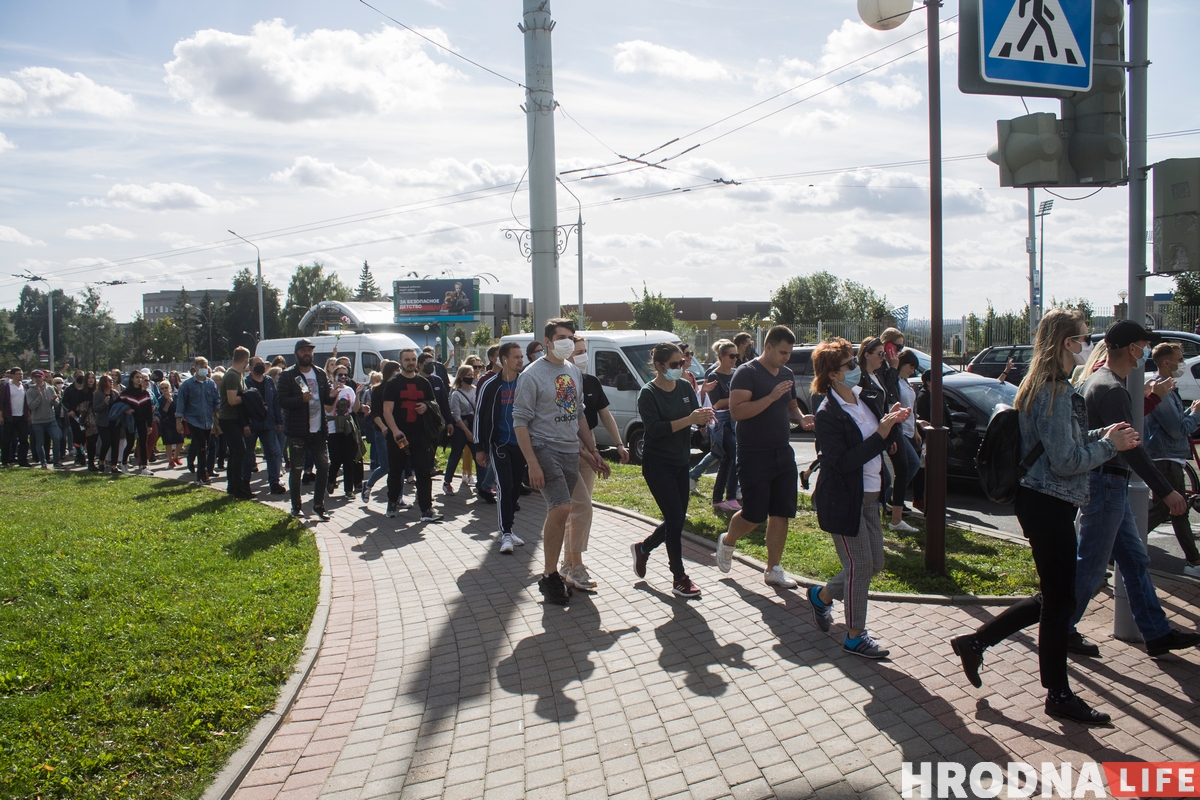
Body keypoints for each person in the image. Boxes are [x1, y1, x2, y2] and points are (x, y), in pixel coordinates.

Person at [948, 309, 1140, 725]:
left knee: (1057, 597)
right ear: (1066, 343)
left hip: (1045, 500)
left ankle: (976, 643)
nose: (1089, 344)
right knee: (1059, 601)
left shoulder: (1049, 386)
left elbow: (1066, 441)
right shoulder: (1053, 391)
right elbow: (1066, 460)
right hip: (1047, 502)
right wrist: (1112, 447)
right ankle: (1058, 694)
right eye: (1083, 338)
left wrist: (1105, 435)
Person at [1069, 319, 1200, 659]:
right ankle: (1061, 628)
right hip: (1106, 484)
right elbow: (1130, 448)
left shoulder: (1101, 381)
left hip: (1107, 484)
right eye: (1144, 346)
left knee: (1135, 560)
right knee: (1092, 566)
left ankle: (1156, 633)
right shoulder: (1112, 388)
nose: (1146, 352)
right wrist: (1167, 490)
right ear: (1132, 349)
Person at [807, 338, 910, 659]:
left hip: (871, 496)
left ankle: (822, 597)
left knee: (875, 563)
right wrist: (880, 434)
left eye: (854, 361)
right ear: (833, 374)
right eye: (849, 364)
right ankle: (854, 635)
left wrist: (892, 424)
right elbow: (841, 462)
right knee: (861, 566)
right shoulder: (827, 413)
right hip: (843, 500)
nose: (856, 367)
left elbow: (882, 439)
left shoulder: (866, 398)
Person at [513, 318, 610, 604]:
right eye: (561, 337)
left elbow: (578, 415)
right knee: (563, 507)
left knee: (560, 511)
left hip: (570, 451)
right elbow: (520, 422)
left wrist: (592, 450)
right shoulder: (531, 375)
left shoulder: (573, 372)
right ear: (547, 341)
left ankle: (560, 569)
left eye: (570, 336)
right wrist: (532, 462)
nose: (567, 342)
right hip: (544, 448)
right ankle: (550, 575)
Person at [715, 326, 811, 588]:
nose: (786, 358)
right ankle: (728, 541)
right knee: (754, 514)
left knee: (781, 512)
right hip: (754, 453)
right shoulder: (747, 373)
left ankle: (773, 569)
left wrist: (802, 419)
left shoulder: (787, 373)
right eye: (782, 352)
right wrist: (770, 397)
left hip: (782, 452)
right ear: (768, 347)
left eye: (789, 353)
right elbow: (737, 412)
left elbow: (791, 407)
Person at [631, 342, 714, 598]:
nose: (681, 367)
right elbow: (655, 430)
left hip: (681, 462)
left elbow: (692, 419)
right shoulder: (648, 393)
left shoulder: (685, 387)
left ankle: (643, 548)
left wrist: (703, 423)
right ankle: (679, 577)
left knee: (676, 519)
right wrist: (690, 420)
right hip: (658, 464)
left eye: (683, 362)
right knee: (676, 520)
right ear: (659, 366)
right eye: (675, 364)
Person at [563, 335, 628, 590]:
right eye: (577, 352)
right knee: (581, 507)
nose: (582, 356)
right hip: (566, 444)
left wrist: (619, 444)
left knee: (578, 508)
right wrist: (587, 451)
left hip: (588, 441)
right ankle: (576, 566)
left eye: (584, 351)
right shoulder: (562, 382)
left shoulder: (591, 381)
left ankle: (568, 563)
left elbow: (605, 413)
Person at [1144, 342, 1200, 577]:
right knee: (1170, 508)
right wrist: (1195, 414)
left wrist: (1190, 411)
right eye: (1180, 359)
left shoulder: (1168, 388)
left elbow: (1174, 422)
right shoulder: (1162, 390)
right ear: (1167, 362)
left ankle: (1194, 560)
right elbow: (1177, 430)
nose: (1183, 363)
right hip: (1165, 458)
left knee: (1175, 509)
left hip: (1168, 457)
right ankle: (1194, 562)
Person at [475, 342, 528, 551]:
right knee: (504, 487)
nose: (520, 360)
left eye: (521, 357)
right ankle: (505, 533)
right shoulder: (491, 385)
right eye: (516, 357)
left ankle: (509, 528)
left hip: (522, 444)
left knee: (515, 488)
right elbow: (479, 416)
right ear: (504, 359)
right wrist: (479, 447)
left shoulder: (525, 382)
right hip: (500, 444)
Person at [277, 338, 336, 521]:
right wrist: (300, 400)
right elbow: (281, 401)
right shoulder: (288, 375)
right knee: (297, 469)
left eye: (309, 350)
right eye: (303, 350)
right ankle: (296, 506)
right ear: (296, 354)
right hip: (297, 431)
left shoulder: (319, 373)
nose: (307, 353)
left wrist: (332, 396)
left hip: (318, 430)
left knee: (324, 467)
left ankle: (318, 505)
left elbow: (325, 399)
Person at [382, 348, 441, 521]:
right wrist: (395, 431)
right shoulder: (393, 384)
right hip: (399, 435)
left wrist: (426, 406)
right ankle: (392, 502)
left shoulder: (424, 383)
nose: (411, 363)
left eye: (413, 359)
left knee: (424, 472)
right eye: (407, 359)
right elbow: (387, 411)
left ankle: (426, 509)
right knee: (396, 471)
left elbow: (433, 403)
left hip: (420, 434)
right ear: (400, 361)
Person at [690, 339, 740, 510]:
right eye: (732, 356)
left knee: (726, 459)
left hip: (735, 419)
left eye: (736, 355)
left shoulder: (736, 373)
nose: (735, 359)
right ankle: (730, 496)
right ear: (721, 356)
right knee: (733, 455)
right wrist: (737, 397)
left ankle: (718, 499)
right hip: (720, 422)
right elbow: (717, 404)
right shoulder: (714, 376)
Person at [245, 356, 286, 495]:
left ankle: (274, 482)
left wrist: (278, 421)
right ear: (250, 367)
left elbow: (275, 402)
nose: (261, 366)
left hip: (268, 423)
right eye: (257, 364)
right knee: (248, 454)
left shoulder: (268, 381)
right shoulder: (246, 382)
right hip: (251, 423)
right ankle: (245, 483)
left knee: (273, 452)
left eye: (262, 363)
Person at [362, 360, 401, 506]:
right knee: (386, 466)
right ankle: (368, 485)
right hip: (382, 432)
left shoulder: (400, 387)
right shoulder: (378, 390)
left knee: (400, 465)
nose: (398, 373)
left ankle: (399, 497)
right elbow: (376, 413)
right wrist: (383, 427)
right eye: (396, 370)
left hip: (398, 431)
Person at [176, 358, 220, 484]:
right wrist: (178, 421)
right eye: (201, 366)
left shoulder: (211, 384)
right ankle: (202, 474)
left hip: (208, 421)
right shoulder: (187, 385)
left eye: (205, 366)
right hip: (193, 420)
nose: (204, 369)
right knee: (201, 445)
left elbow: (216, 400)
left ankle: (196, 464)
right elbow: (181, 404)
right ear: (195, 367)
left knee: (204, 445)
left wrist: (218, 413)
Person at [218, 346, 252, 498]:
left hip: (234, 418)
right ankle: (238, 487)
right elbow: (232, 400)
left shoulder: (238, 375)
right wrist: (248, 397)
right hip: (228, 419)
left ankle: (232, 486)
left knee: (235, 453)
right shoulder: (232, 375)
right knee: (239, 452)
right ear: (245, 359)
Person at [326, 364, 362, 498]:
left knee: (349, 459)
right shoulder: (329, 390)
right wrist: (334, 396)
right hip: (333, 428)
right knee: (336, 459)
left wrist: (357, 394)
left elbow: (354, 409)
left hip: (347, 428)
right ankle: (330, 480)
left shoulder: (349, 390)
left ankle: (348, 490)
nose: (343, 377)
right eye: (340, 374)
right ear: (333, 376)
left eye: (345, 375)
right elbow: (328, 409)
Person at [444, 364, 477, 495]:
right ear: (461, 377)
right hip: (460, 428)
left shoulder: (475, 390)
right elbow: (456, 415)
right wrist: (466, 431)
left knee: (478, 454)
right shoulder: (456, 394)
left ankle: (483, 484)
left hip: (473, 426)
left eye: (472, 374)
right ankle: (447, 482)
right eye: (468, 375)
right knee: (456, 455)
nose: (471, 377)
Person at [119, 369, 155, 475]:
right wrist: (125, 410)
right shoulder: (125, 393)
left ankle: (144, 467)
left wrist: (149, 424)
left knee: (143, 443)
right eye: (137, 377)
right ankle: (124, 464)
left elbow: (148, 411)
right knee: (130, 443)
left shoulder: (145, 393)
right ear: (132, 379)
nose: (139, 379)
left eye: (141, 378)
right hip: (130, 421)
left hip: (142, 421)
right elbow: (117, 405)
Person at [27, 369, 63, 469]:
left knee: (56, 438)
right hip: (37, 421)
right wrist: (39, 397)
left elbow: (56, 404)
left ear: (43, 377)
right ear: (33, 378)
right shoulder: (30, 391)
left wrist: (54, 400)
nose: (38, 379)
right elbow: (31, 406)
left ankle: (56, 461)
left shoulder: (50, 388)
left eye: (39, 377)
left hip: (50, 419)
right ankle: (43, 462)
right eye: (35, 377)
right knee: (40, 442)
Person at [1, 367, 30, 467]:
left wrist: (28, 416)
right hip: (9, 417)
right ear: (12, 375)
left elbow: (27, 403)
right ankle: (5, 461)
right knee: (7, 440)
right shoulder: (6, 386)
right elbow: (2, 402)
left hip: (21, 417)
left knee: (24, 439)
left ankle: (23, 460)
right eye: (18, 374)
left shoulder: (24, 386)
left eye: (21, 374)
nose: (20, 376)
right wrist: (1, 416)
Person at [63, 370, 93, 466]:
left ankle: (83, 452)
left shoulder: (87, 390)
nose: (81, 378)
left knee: (85, 436)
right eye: (78, 377)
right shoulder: (69, 389)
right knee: (77, 437)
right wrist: (69, 410)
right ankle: (79, 454)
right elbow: (64, 402)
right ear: (74, 377)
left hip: (85, 417)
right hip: (74, 417)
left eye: (82, 376)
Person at [92, 374, 119, 474]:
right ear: (104, 382)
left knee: (115, 444)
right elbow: (95, 409)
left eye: (112, 380)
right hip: (103, 422)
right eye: (109, 380)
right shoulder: (98, 394)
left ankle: (114, 466)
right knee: (106, 442)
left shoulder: (115, 393)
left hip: (114, 422)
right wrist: (104, 403)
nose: (111, 382)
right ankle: (101, 462)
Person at [158, 380, 184, 467]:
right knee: (168, 442)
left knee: (180, 440)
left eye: (166, 387)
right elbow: (162, 413)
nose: (164, 390)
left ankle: (176, 457)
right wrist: (168, 403)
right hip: (166, 422)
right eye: (162, 388)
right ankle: (170, 460)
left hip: (176, 420)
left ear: (169, 388)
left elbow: (180, 407)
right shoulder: (160, 399)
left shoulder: (176, 396)